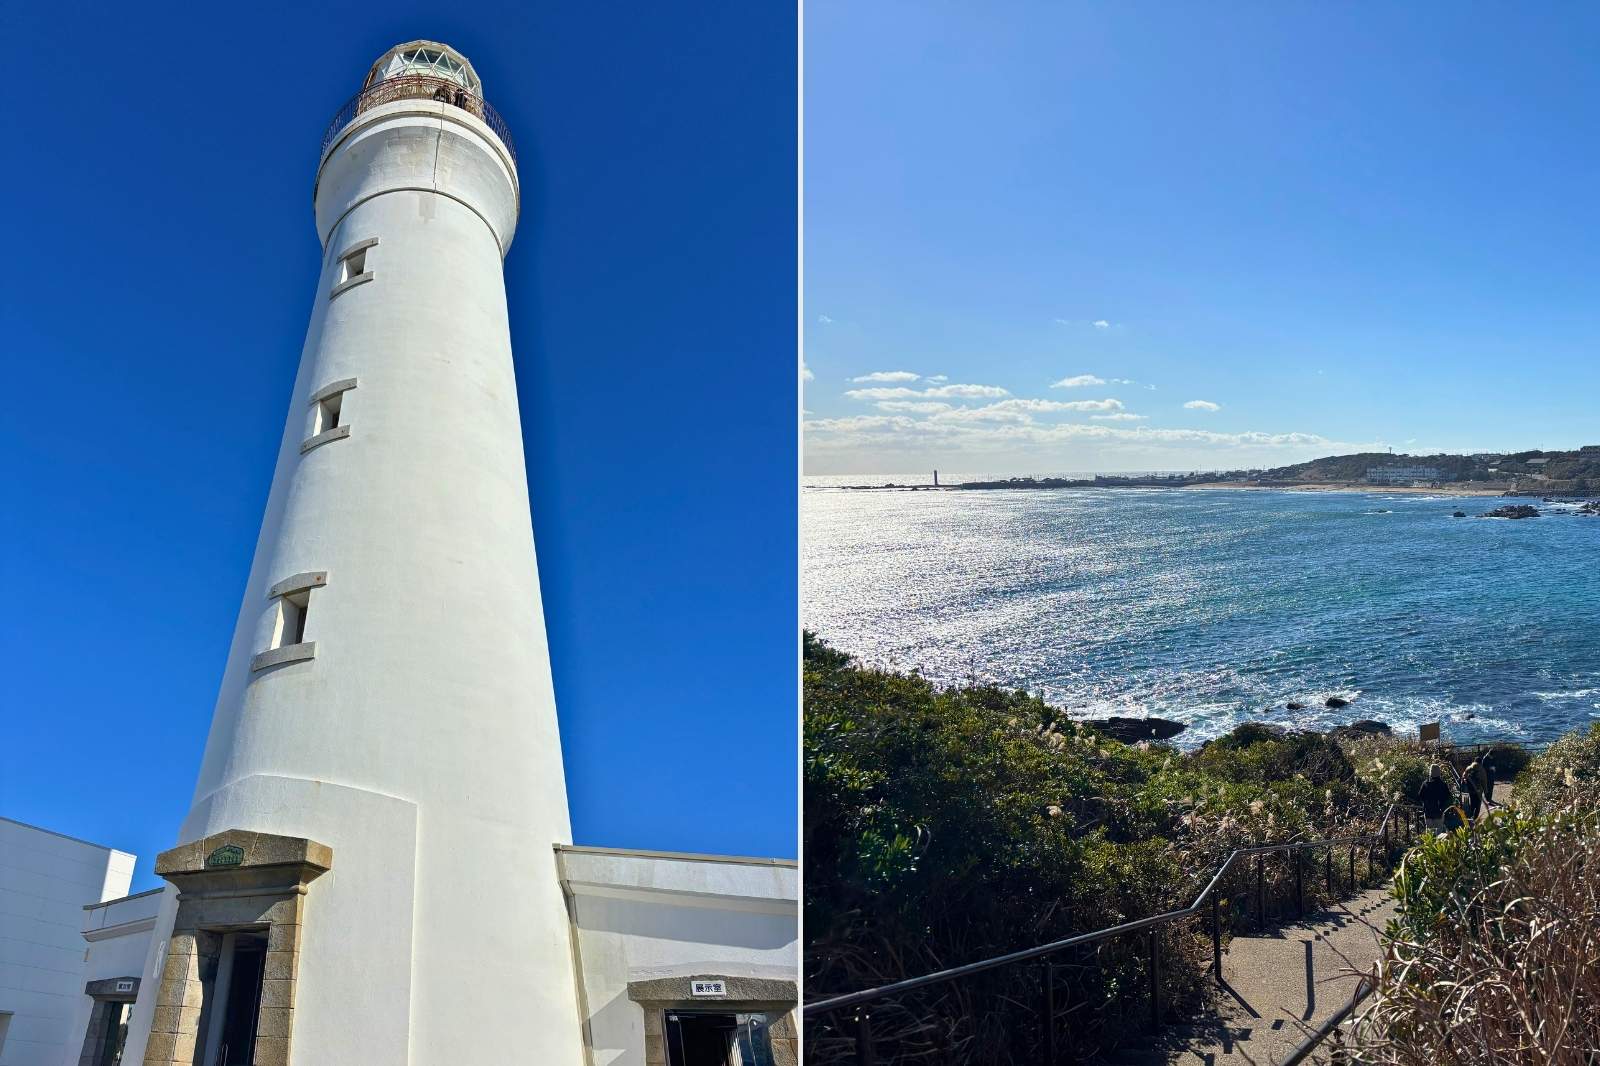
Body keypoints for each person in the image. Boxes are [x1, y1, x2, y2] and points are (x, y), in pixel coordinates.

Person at [1419, 763, 1453, 831]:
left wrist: (1425, 804)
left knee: (1429, 831)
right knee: (1439, 831)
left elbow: (1420, 796)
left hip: (1428, 811)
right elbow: (1448, 797)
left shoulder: (1425, 784)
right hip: (1439, 811)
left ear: (1430, 772)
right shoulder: (1443, 785)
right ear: (1439, 772)